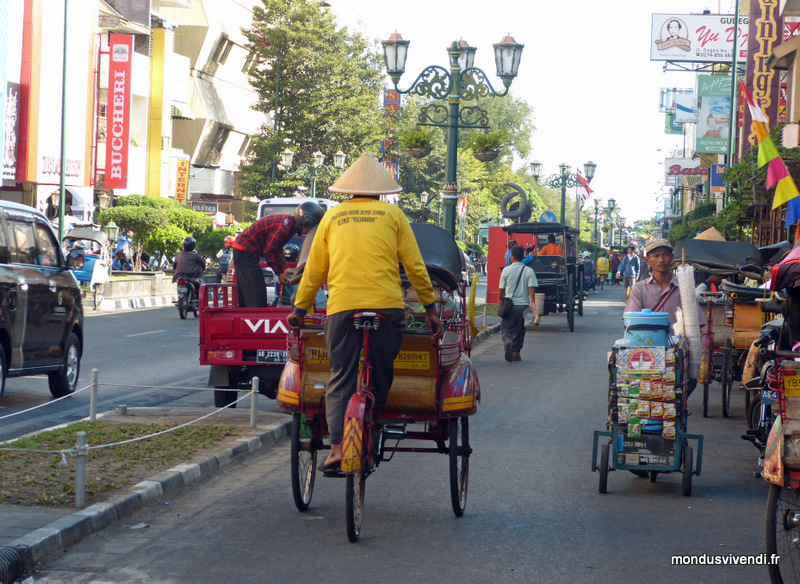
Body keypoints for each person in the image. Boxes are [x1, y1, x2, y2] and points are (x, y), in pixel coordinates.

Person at [286, 153, 443, 473]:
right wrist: (430, 308)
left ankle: (336, 449)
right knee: (382, 373)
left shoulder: (331, 218)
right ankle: (372, 431)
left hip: (342, 309)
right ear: (380, 191)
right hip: (387, 308)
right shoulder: (393, 215)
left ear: (347, 190)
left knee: (341, 376)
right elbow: (414, 267)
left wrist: (300, 310)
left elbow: (314, 270)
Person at [624, 239, 706, 395]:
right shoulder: (639, 289)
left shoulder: (685, 287)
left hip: (676, 356)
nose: (661, 260)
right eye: (656, 256)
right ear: (647, 260)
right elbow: (632, 323)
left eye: (665, 255)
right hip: (647, 355)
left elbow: (697, 324)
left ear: (672, 257)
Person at [231, 202, 324, 307]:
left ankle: (247, 315)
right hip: (244, 250)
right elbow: (269, 251)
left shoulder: (290, 225)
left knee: (249, 288)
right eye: (310, 228)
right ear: (304, 222)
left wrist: (284, 268)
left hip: (247, 251)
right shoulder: (285, 227)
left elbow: (277, 248)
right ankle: (256, 318)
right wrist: (279, 273)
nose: (308, 232)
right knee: (256, 289)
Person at [499, 245, 538, 361]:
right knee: (520, 329)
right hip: (524, 305)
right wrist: (532, 302)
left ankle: (508, 340)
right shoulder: (529, 271)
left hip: (509, 304)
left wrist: (500, 300)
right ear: (523, 257)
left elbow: (501, 289)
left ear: (512, 257)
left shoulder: (506, 270)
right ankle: (516, 352)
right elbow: (531, 287)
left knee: (506, 326)